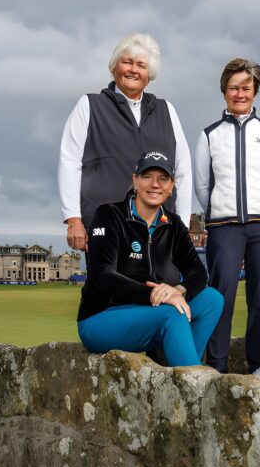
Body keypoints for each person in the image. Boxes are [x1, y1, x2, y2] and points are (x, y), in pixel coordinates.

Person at [77, 151, 222, 366]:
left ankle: (175, 367)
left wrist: (178, 291)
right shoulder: (109, 214)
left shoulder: (173, 224)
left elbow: (198, 272)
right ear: (135, 180)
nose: (155, 184)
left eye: (163, 178)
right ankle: (191, 387)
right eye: (147, 176)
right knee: (173, 314)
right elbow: (103, 276)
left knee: (212, 299)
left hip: (150, 312)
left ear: (171, 186)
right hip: (101, 317)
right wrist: (155, 294)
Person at [193, 58, 260, 375]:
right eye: (234, 87)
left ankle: (256, 364)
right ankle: (216, 365)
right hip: (224, 227)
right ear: (224, 91)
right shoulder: (209, 135)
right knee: (221, 297)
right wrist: (221, 211)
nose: (240, 93)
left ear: (255, 91)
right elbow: (202, 185)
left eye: (246, 87)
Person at [59, 32, 192, 253]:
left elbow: (183, 169)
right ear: (114, 67)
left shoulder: (166, 109)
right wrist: (73, 219)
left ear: (149, 75)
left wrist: (184, 226)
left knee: (158, 287)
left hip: (159, 226)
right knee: (108, 286)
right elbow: (69, 161)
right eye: (127, 62)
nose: (133, 70)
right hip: (105, 222)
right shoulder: (89, 105)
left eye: (141, 65)